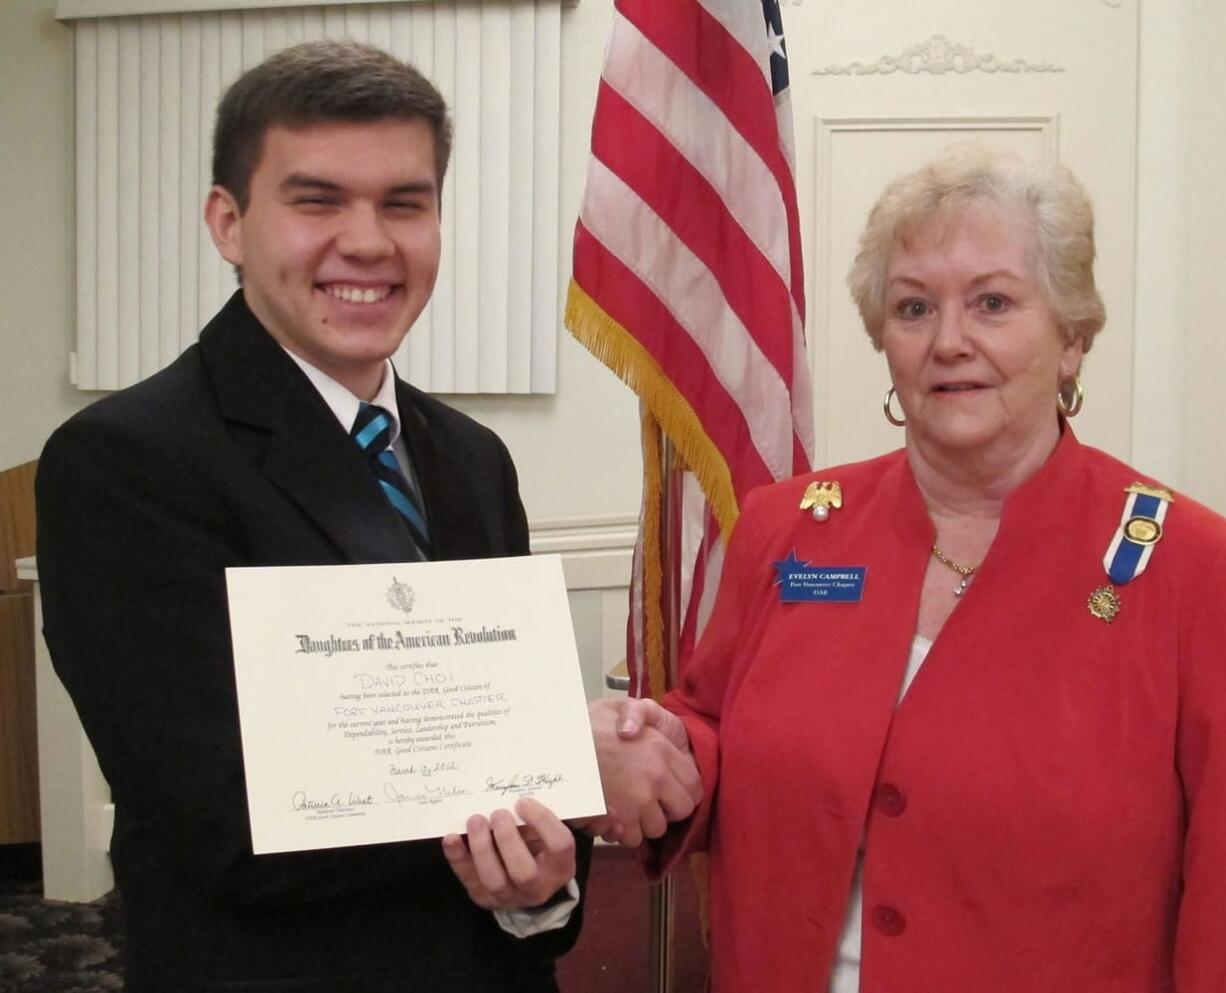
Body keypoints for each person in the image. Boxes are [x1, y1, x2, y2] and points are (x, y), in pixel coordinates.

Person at [590, 146, 1226, 992]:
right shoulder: (789, 530)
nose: (949, 341)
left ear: (1072, 337)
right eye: (914, 307)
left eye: (993, 303)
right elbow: (717, 724)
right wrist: (657, 749)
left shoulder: (1190, 567)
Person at [37, 41, 588, 993]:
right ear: (228, 222)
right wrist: (567, 772)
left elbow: (508, 751)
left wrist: (540, 878)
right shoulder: (127, 461)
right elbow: (218, 825)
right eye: (317, 199)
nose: (369, 242)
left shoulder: (470, 458)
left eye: (404, 202)